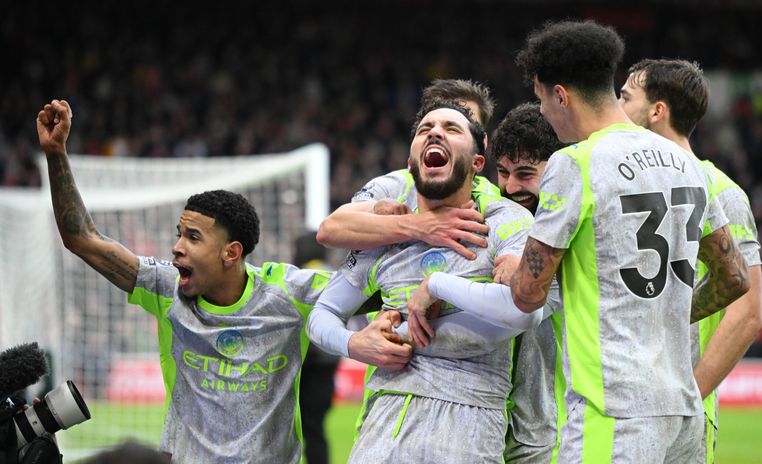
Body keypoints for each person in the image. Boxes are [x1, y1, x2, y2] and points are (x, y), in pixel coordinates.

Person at [407, 20, 750, 463]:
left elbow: (527, 295)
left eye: (540, 98)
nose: (543, 112)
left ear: (560, 95)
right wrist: (664, 313)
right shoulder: (685, 163)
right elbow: (734, 276)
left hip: (614, 412)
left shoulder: (576, 164)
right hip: (683, 410)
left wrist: (454, 281)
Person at [36, 99, 331, 463]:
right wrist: (56, 153)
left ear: (231, 253)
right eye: (179, 234)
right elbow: (81, 238)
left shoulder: (288, 292)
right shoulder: (165, 287)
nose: (176, 247)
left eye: (192, 237)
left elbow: (375, 290)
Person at [307, 100, 539, 463]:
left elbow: (525, 311)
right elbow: (321, 314)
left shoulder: (503, 221)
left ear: (477, 163)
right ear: (411, 163)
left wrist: (436, 287)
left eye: (452, 128)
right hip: (382, 427)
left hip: (467, 426)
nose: (435, 133)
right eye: (425, 129)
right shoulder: (386, 234)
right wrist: (354, 343)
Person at [618, 58, 762, 463]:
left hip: (680, 413)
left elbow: (748, 312)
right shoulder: (622, 182)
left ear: (657, 111)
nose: (615, 107)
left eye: (625, 97)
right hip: (622, 404)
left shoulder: (721, 191)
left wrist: (689, 396)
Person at [316, 78, 498, 261]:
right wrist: (419, 225)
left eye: (457, 124)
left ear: (482, 142)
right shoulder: (395, 184)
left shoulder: (496, 202)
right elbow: (329, 229)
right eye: (432, 124)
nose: (438, 133)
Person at [491, 102, 566, 463]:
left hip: (547, 437)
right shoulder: (491, 223)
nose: (510, 187)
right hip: (490, 429)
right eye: (502, 172)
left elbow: (518, 310)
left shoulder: (573, 237)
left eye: (525, 173)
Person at [293, 232, 337, 464]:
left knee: (309, 430)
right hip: (328, 365)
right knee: (315, 429)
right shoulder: (333, 273)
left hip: (310, 367)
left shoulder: (306, 277)